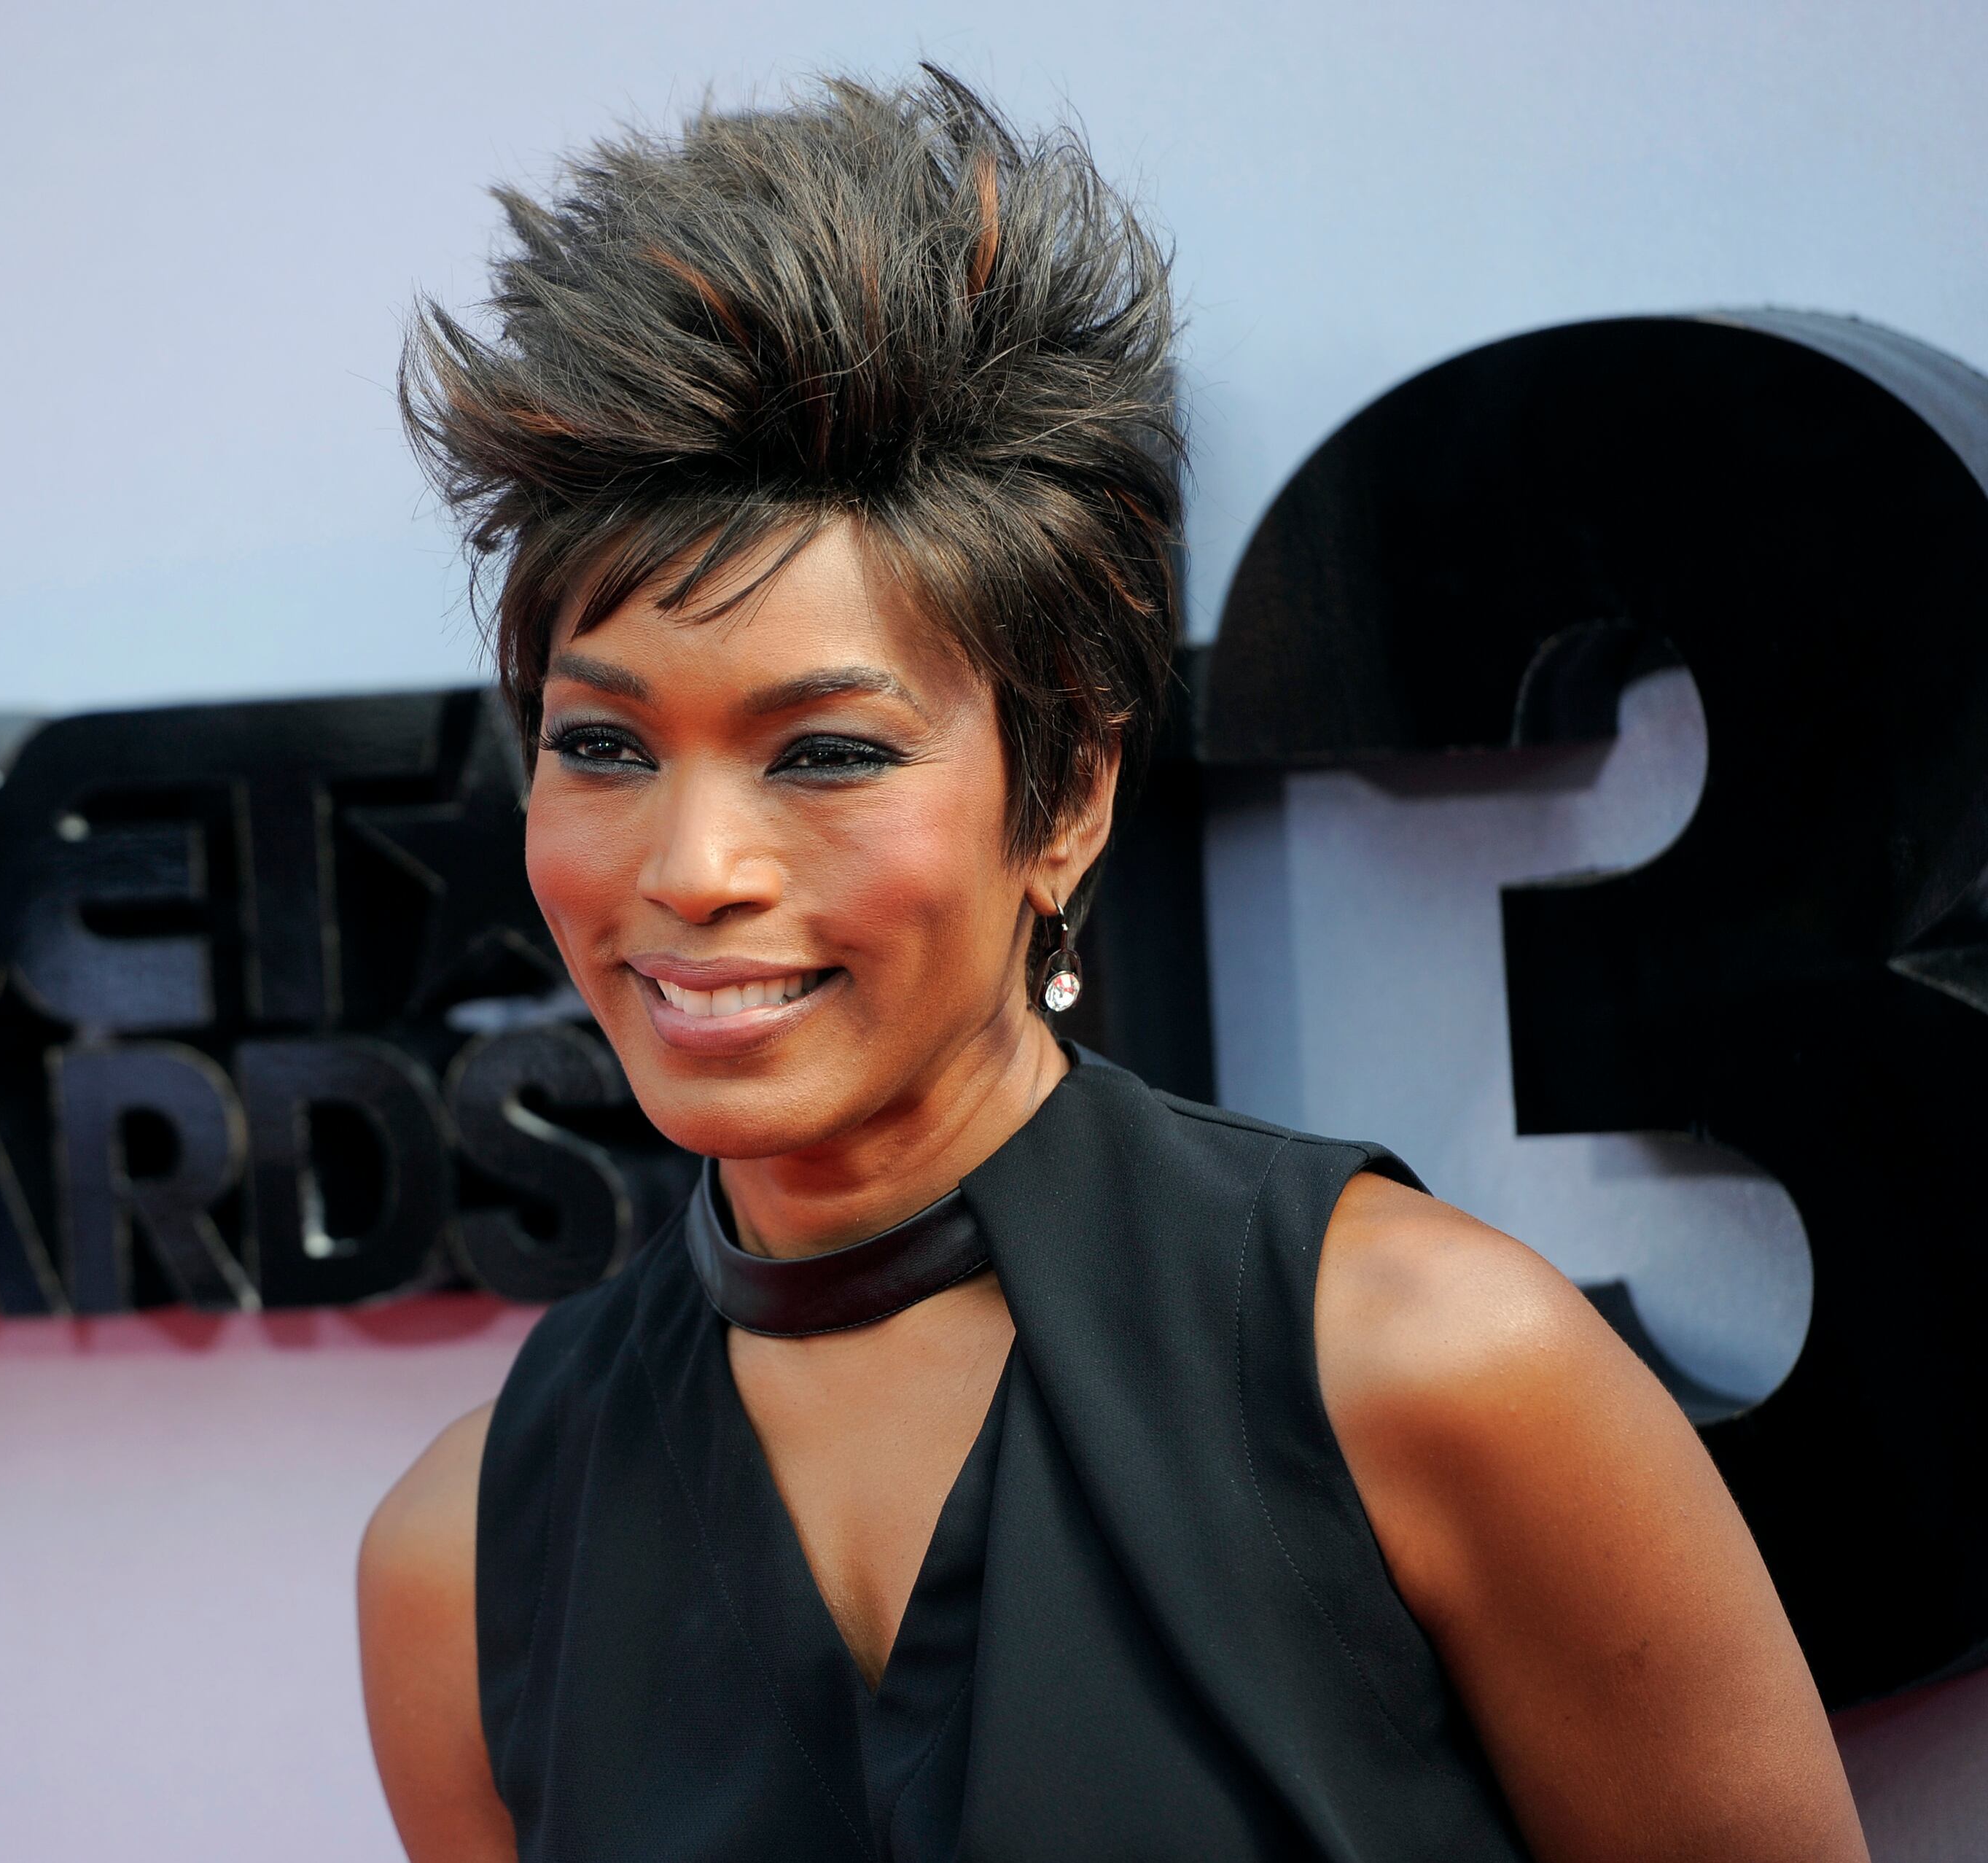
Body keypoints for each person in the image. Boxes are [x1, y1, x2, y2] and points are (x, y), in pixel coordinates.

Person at [356, 67, 1866, 1862]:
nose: (692, 873)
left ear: (1063, 794)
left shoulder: (1428, 1374)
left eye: (826, 752)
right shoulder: (468, 1558)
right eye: (602, 747)